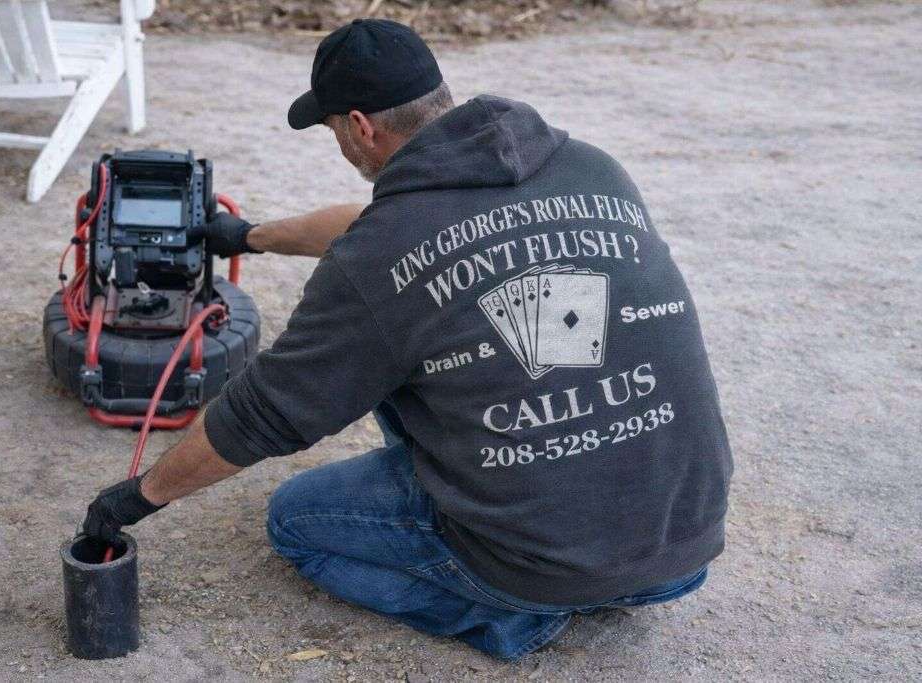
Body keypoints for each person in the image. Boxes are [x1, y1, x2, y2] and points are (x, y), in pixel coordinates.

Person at [82, 19, 732, 660]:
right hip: (686, 543)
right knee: (438, 344)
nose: (340, 142)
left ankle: (510, 615)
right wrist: (249, 235)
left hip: (544, 566)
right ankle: (577, 568)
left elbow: (261, 416)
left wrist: (140, 495)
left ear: (360, 126)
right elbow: (373, 231)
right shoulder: (591, 167)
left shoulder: (386, 255)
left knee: (297, 522)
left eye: (335, 129)